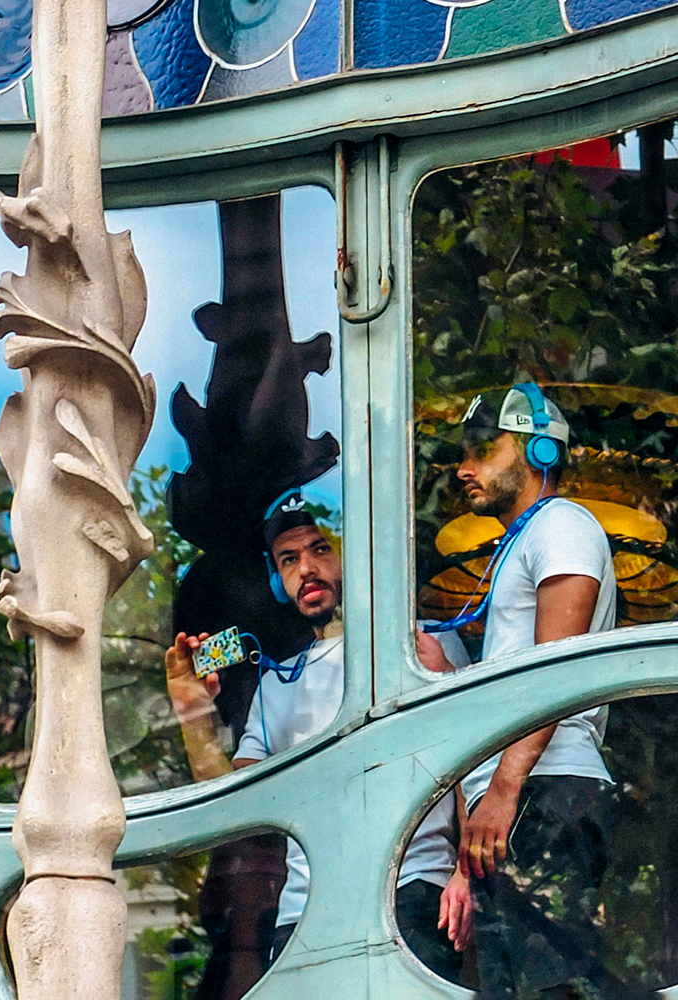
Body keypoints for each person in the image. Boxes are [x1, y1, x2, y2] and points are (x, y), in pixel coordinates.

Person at [167, 492, 470, 980]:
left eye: (320, 549)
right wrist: (191, 712)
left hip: (410, 888)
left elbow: (468, 759)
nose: (306, 568)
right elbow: (236, 811)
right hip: (304, 913)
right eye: (289, 559)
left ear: (348, 556)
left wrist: (465, 876)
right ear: (277, 581)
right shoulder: (274, 683)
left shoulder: (419, 643)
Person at [415, 384, 629, 999]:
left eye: (484, 449)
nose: (464, 468)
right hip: (514, 801)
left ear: (538, 449)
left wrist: (505, 790)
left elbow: (554, 671)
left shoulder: (562, 524)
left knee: (552, 989)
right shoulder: (519, 543)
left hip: (546, 790)